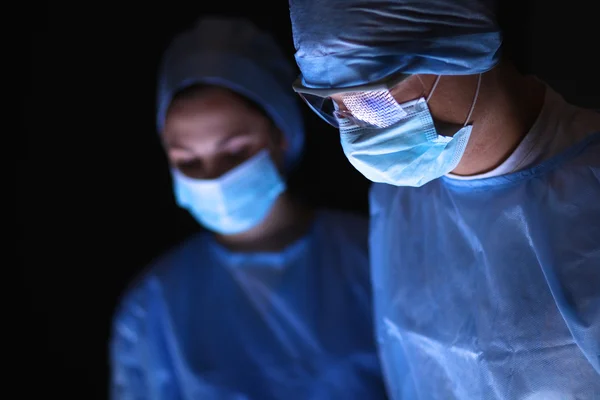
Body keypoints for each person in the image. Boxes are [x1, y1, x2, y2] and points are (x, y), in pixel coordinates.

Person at [288, 0, 600, 398]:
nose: (358, 128)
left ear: (463, 50)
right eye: (335, 103)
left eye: (372, 98)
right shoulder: (395, 200)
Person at [109, 16, 388, 400]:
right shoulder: (152, 308)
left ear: (281, 135)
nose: (214, 178)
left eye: (234, 151)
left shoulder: (375, 255)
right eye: (188, 161)